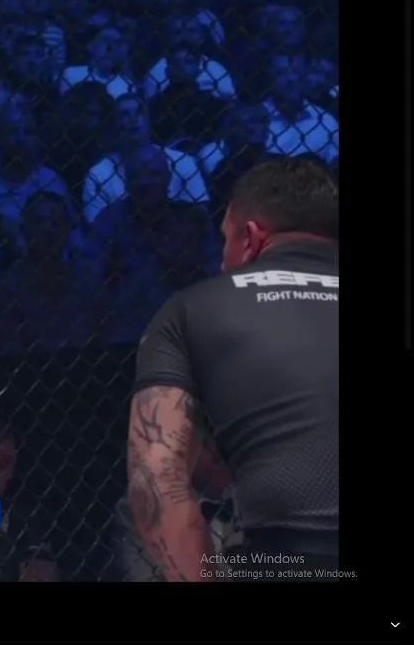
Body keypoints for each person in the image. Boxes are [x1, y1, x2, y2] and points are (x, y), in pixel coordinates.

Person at [127, 157, 338, 581]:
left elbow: (156, 479)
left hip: (290, 561)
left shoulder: (193, 309)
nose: (223, 261)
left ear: (251, 238)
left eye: (225, 241)